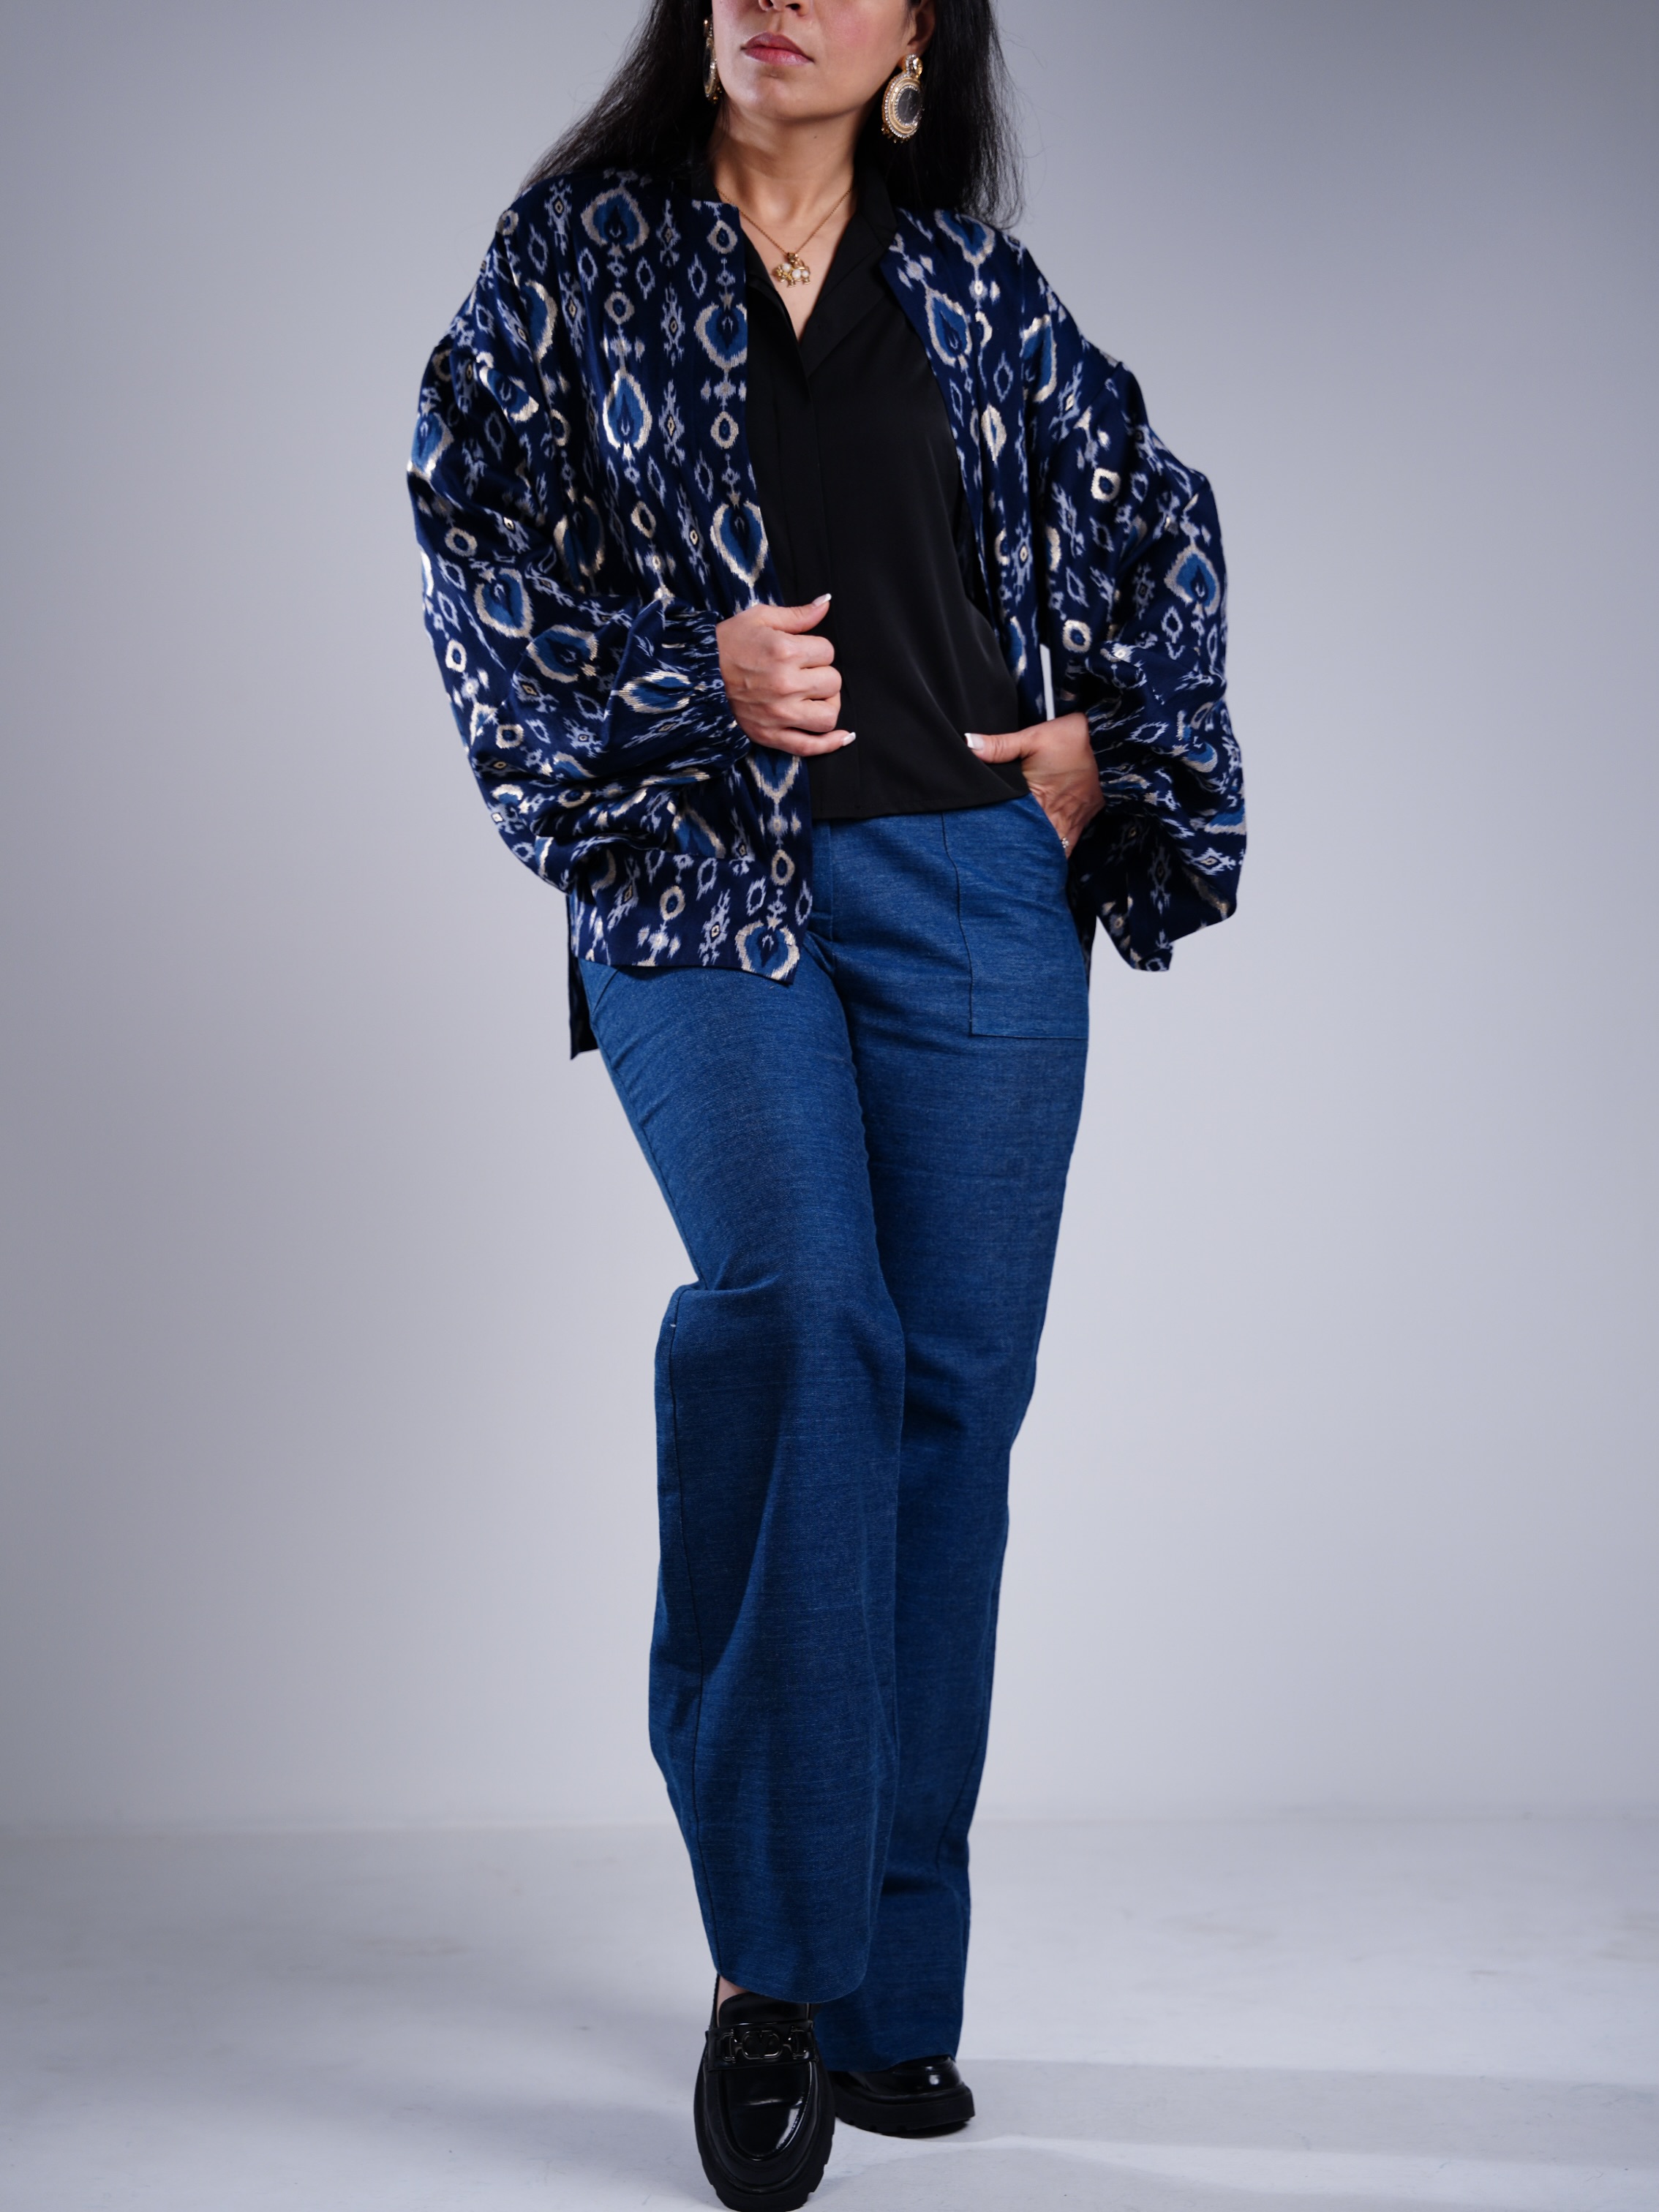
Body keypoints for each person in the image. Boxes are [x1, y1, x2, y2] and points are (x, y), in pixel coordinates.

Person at [409, 1, 1243, 2203]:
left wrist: (1109, 750)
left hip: (971, 889)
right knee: (803, 1317)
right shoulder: (577, 256)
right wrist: (688, 670)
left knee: (950, 1401)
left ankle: (889, 1991)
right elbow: (470, 545)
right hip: (698, 878)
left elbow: (1156, 520)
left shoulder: (973, 288)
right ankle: (768, 1971)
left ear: (915, 37)